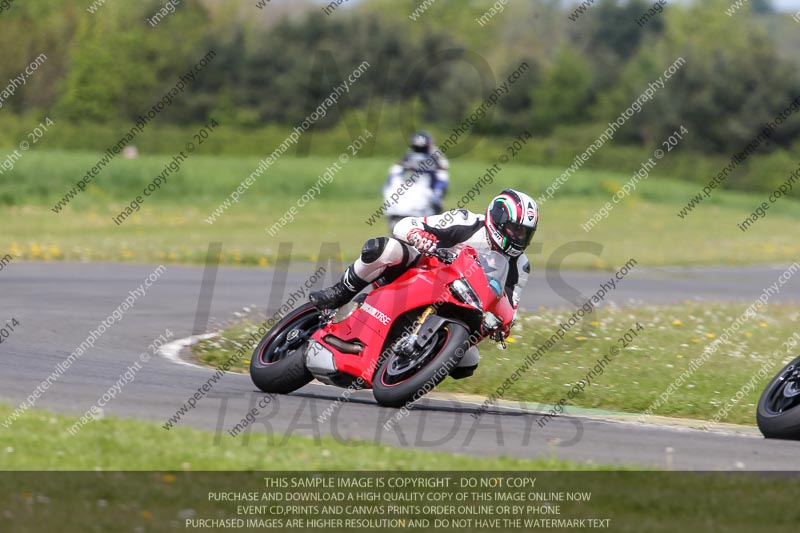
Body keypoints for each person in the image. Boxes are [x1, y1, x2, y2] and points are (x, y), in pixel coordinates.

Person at [309, 189, 538, 377]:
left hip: (465, 303)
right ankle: (340, 293)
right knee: (384, 249)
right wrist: (420, 237)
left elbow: (511, 302)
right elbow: (404, 225)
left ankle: (413, 365)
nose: (518, 238)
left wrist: (504, 324)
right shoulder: (466, 222)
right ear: (497, 219)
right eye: (514, 229)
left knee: (468, 362)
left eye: (524, 233)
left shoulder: (521, 265)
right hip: (426, 271)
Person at [383, 131, 450, 232]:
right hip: (420, 212)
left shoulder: (403, 161)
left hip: (395, 209)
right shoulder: (434, 162)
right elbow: (440, 185)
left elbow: (388, 185)